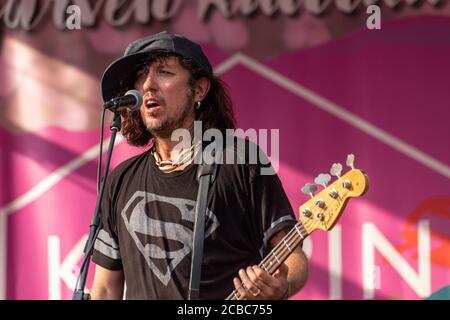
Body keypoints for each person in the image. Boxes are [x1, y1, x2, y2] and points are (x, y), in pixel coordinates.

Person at [90, 31, 308, 300]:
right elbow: (105, 287)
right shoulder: (120, 179)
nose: (148, 85)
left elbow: (294, 257)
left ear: (199, 89)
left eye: (164, 72)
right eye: (141, 75)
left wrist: (281, 288)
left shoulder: (240, 162)